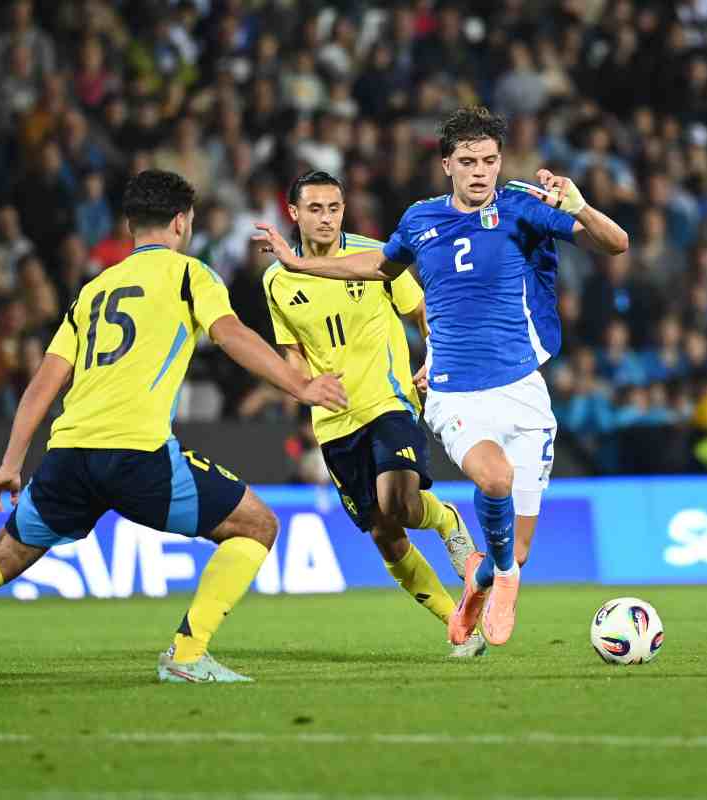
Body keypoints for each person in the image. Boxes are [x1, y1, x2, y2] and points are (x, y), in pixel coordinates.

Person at [0, 170, 346, 689]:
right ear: (182, 223)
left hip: (69, 453)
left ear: (131, 226)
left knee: (3, 554)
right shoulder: (191, 275)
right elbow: (230, 335)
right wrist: (300, 385)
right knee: (257, 525)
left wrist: (11, 461)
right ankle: (187, 651)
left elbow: (45, 382)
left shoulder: (93, 289)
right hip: (137, 453)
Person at [255, 107, 629, 647]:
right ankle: (500, 577)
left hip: (522, 388)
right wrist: (299, 264)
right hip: (455, 392)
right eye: (469, 161)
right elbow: (377, 266)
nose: (481, 172)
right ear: (447, 165)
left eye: (491, 161)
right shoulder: (420, 220)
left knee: (517, 550)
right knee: (494, 479)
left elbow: (616, 244)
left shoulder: (524, 207)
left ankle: (485, 582)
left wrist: (582, 206)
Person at [263, 170, 481, 657]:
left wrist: (432, 358)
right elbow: (291, 349)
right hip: (334, 423)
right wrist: (303, 387)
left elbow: (423, 311)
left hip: (388, 400)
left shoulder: (377, 255)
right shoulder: (276, 279)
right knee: (385, 532)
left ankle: (447, 523)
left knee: (399, 502)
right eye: (315, 209)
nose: (326, 218)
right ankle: (457, 622)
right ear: (293, 213)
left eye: (334, 208)